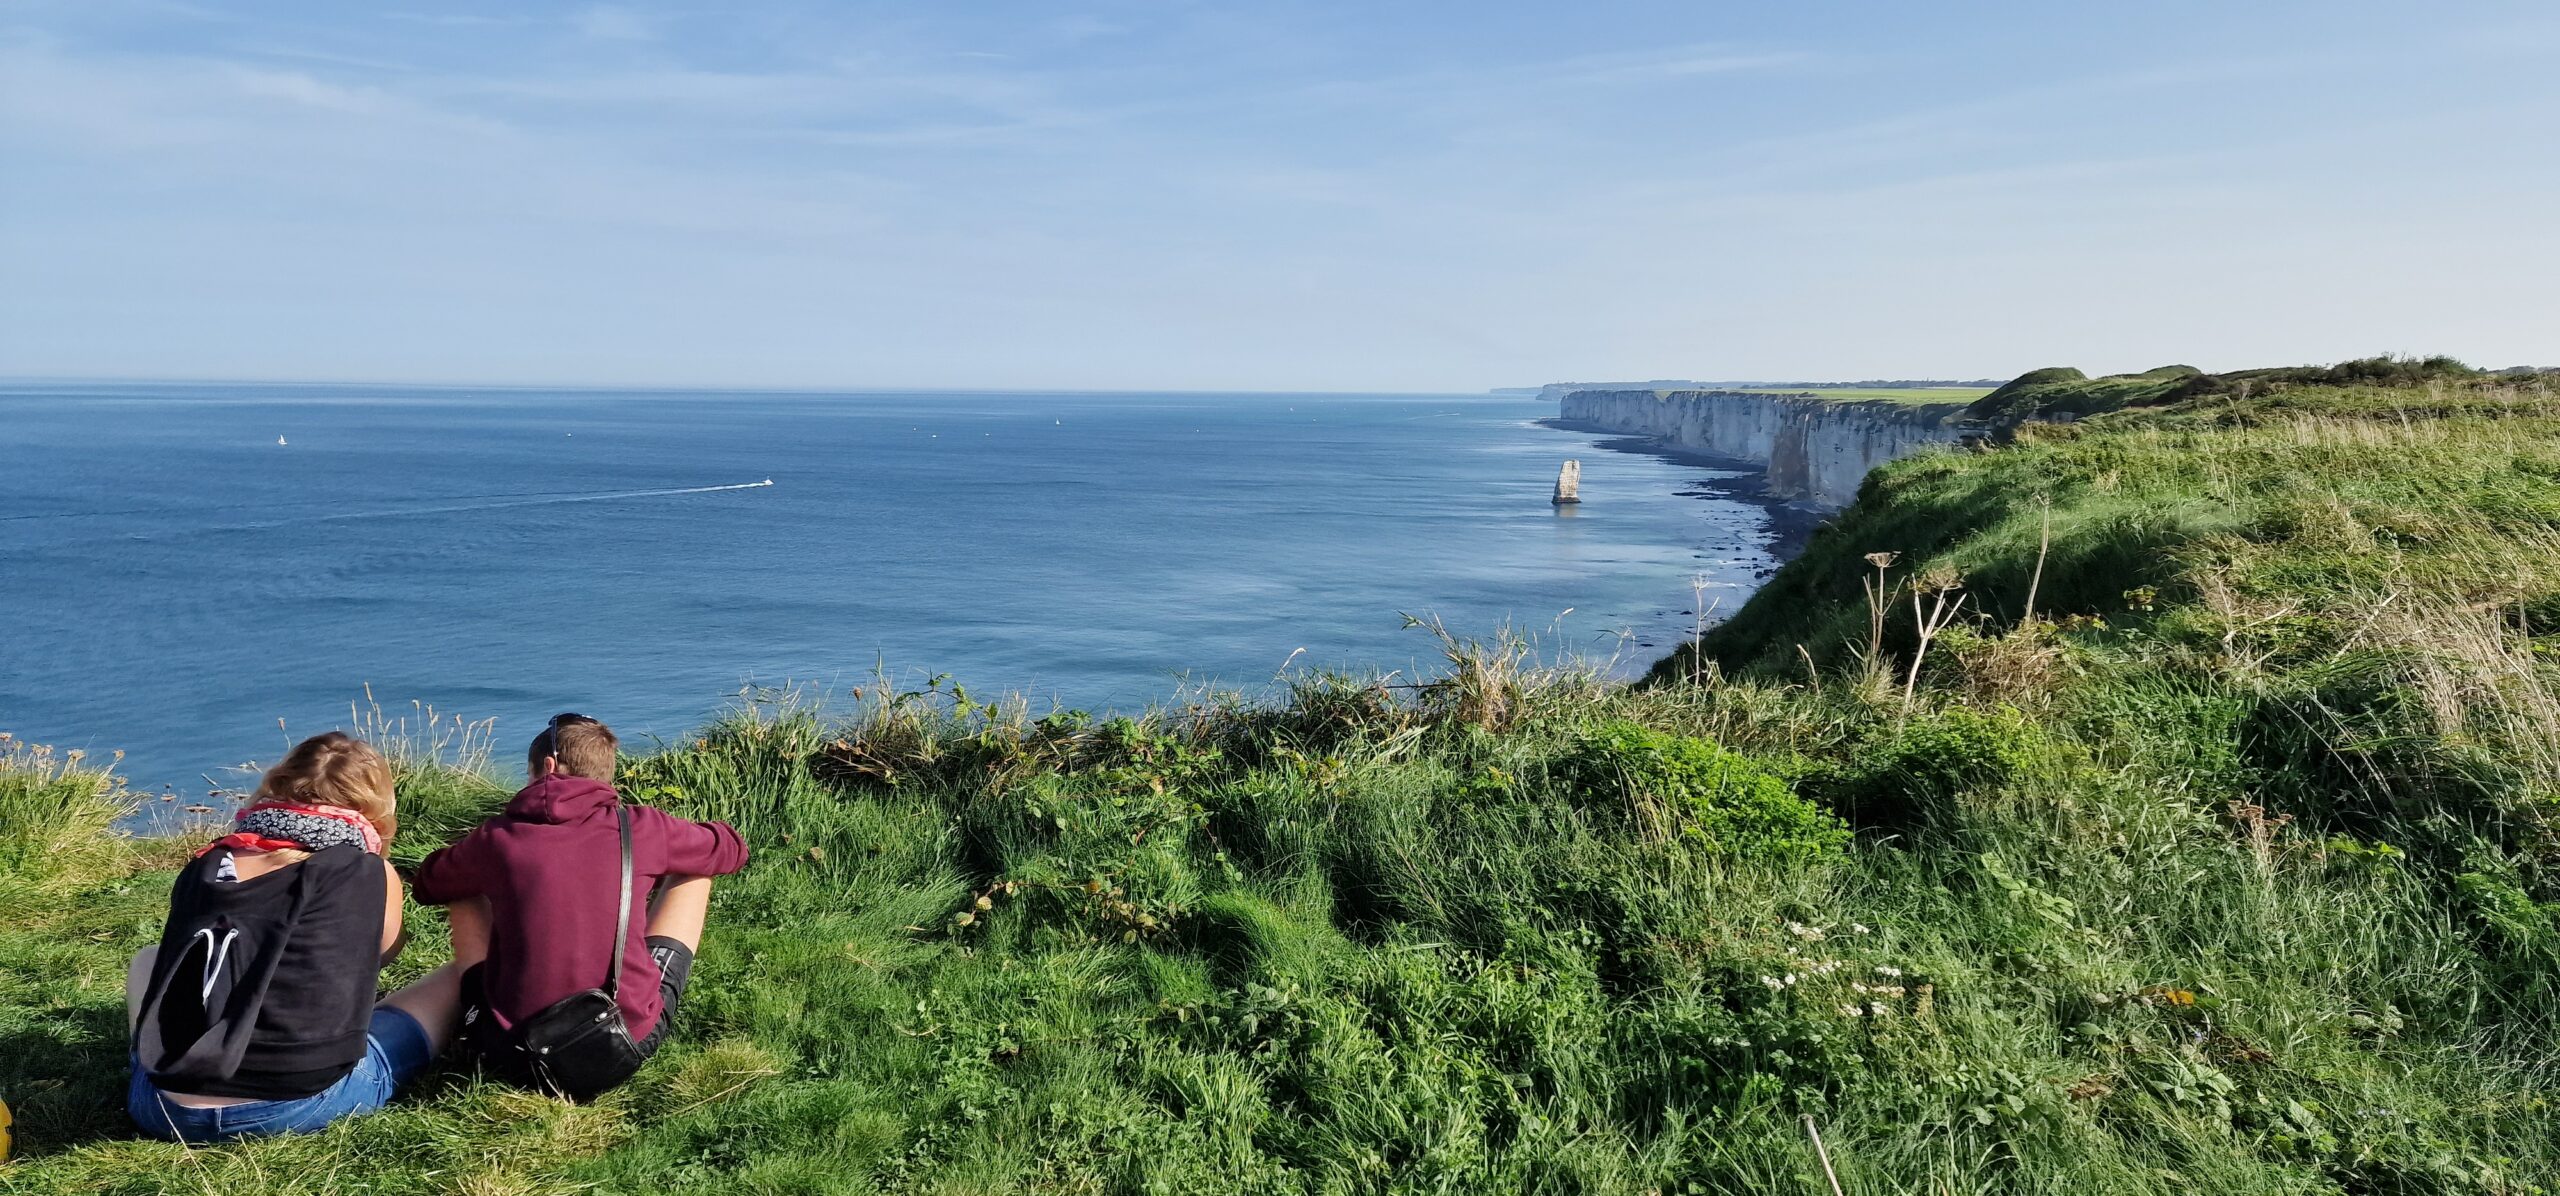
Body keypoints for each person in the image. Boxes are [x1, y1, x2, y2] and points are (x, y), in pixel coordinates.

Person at [125, 732, 462, 1142]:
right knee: (453, 978)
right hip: (296, 1105)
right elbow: (382, 953)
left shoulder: (209, 863)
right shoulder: (365, 869)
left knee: (148, 957)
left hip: (164, 1109)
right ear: (373, 803)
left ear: (278, 783)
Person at [414, 713, 747, 1100]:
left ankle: (475, 1015)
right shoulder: (640, 827)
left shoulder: (495, 839)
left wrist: (478, 861)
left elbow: (430, 882)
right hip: (618, 1042)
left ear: (548, 767)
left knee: (461, 888)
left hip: (512, 1052)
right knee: (695, 872)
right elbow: (731, 849)